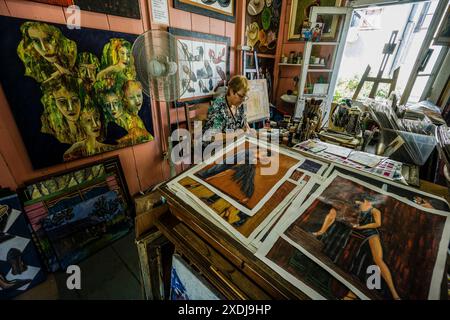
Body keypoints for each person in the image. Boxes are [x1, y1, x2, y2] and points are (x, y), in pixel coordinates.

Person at [313, 195, 401, 300]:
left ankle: (394, 294)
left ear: (367, 201)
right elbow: (348, 210)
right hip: (361, 236)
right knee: (361, 263)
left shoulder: (375, 211)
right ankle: (352, 294)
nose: (358, 203)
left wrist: (361, 227)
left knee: (378, 261)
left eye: (360, 202)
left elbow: (377, 224)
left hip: (371, 235)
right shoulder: (358, 207)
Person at [202, 75, 251, 145]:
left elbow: (245, 125)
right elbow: (212, 136)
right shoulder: (218, 106)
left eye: (245, 97)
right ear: (231, 91)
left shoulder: (240, 105)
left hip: (232, 144)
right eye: (241, 96)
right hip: (213, 148)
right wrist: (236, 135)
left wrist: (249, 131)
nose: (243, 100)